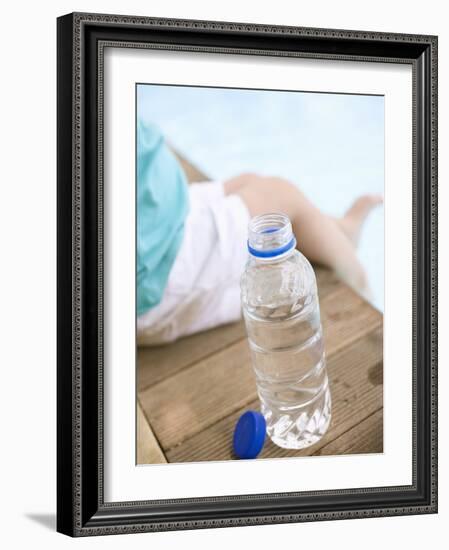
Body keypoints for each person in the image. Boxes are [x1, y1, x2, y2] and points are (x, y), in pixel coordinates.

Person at [137, 120, 382, 346]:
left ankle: (342, 232)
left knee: (249, 181)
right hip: (160, 271)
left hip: (164, 214)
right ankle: (364, 290)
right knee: (282, 196)